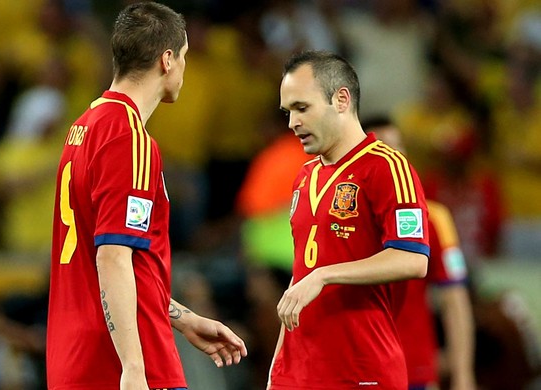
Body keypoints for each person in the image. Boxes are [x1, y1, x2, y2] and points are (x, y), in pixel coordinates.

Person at [45, 3, 247, 390]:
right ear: (168, 59)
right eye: (185, 56)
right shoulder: (130, 137)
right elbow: (113, 255)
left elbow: (110, 258)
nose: (185, 68)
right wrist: (134, 370)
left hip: (75, 360)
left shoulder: (85, 127)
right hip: (124, 367)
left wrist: (182, 316)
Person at [267, 50, 430, 389]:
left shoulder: (387, 167)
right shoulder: (305, 176)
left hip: (360, 370)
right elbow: (300, 278)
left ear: (341, 99)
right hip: (296, 372)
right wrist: (276, 369)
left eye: (302, 108)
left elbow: (413, 258)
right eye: (287, 112)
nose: (292, 122)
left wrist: (325, 275)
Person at [364, 116, 477, 390]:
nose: (393, 159)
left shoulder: (433, 218)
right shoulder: (339, 220)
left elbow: (455, 301)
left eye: (398, 149)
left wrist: (463, 375)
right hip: (355, 371)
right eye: (382, 150)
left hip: (413, 372)